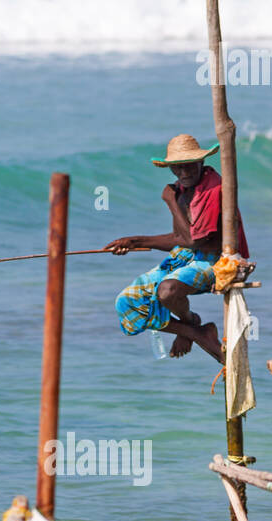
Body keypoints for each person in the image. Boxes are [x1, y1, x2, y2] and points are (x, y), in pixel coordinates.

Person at [105, 133, 249, 363]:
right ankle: (193, 329)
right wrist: (133, 242)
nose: (183, 173)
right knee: (126, 302)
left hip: (215, 261)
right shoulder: (181, 192)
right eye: (177, 167)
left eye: (189, 165)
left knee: (167, 291)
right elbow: (179, 238)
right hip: (185, 258)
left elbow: (194, 240)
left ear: (201, 162)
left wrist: (170, 202)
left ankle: (193, 330)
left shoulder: (213, 189)